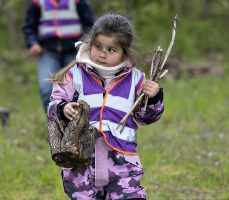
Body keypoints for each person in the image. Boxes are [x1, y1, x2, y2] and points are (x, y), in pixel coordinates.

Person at [48, 13, 164, 199]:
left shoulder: (136, 80)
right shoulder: (75, 74)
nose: (102, 53)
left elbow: (146, 117)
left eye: (111, 50)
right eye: (98, 46)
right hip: (81, 159)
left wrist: (154, 97)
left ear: (124, 53)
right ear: (91, 42)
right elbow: (54, 102)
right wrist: (63, 108)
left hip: (121, 160)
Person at [22, 0, 94, 112]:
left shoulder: (78, 1)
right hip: (48, 51)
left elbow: (89, 24)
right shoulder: (38, 2)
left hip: (73, 51)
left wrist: (86, 43)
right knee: (46, 89)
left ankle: (75, 123)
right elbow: (29, 27)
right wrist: (33, 43)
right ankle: (53, 123)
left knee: (76, 89)